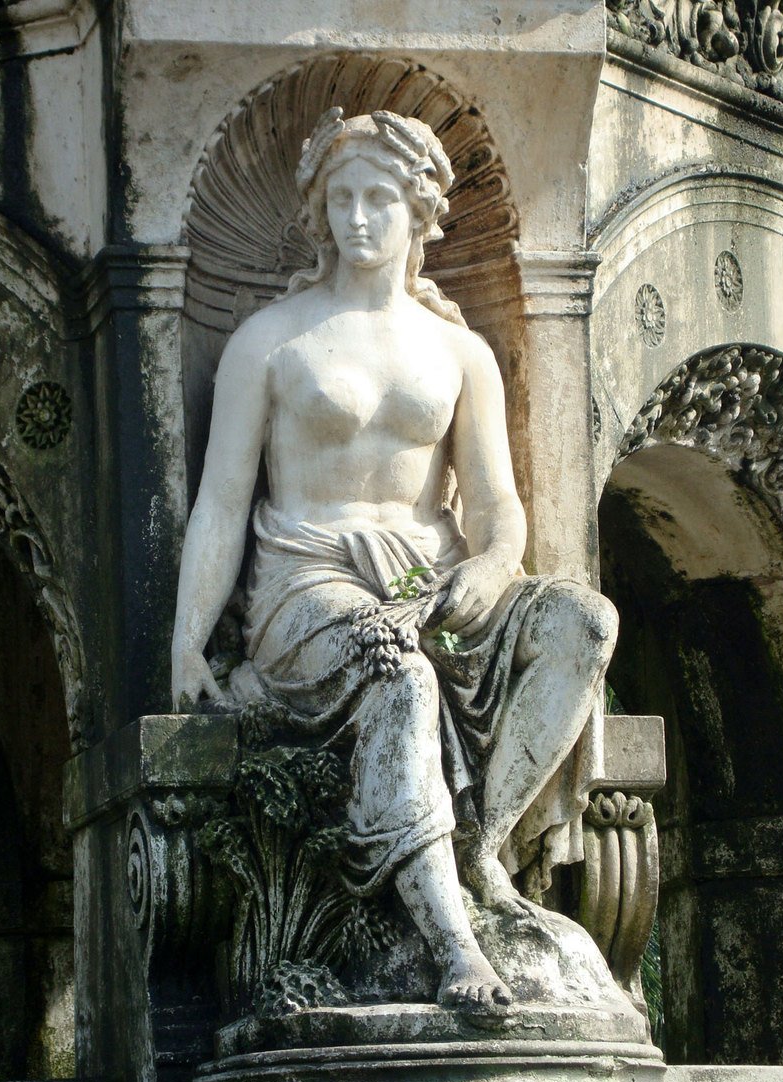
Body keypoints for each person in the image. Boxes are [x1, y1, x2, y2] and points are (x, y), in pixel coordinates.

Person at [172, 108, 618, 1016]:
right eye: (340, 199)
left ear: (420, 210)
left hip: (435, 580)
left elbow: (497, 508)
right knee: (403, 681)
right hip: (310, 582)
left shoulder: (460, 352)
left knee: (585, 623)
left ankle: (479, 849)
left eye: (379, 197)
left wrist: (492, 567)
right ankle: (456, 946)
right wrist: (187, 642)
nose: (358, 218)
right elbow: (221, 501)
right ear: (317, 212)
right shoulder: (271, 338)